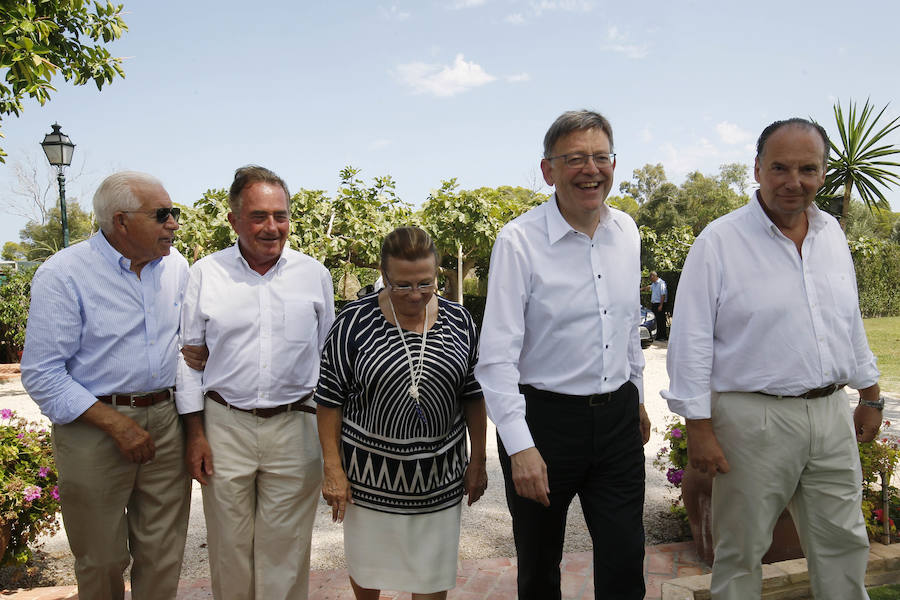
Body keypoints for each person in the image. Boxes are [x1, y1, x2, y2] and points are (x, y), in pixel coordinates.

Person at [662, 118, 884, 600]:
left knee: (844, 542)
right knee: (741, 550)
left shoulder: (832, 236)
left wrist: (871, 395)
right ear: (757, 168)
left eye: (808, 168)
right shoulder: (719, 242)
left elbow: (847, 322)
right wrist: (698, 426)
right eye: (780, 167)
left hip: (829, 415)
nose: (793, 181)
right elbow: (692, 341)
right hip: (752, 419)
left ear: (823, 174)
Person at [475, 110, 650, 600]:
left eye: (600, 157)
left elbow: (626, 324)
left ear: (614, 164)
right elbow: (496, 360)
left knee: (624, 561)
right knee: (539, 565)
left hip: (616, 423)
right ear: (548, 170)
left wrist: (634, 397)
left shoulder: (627, 233)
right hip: (544, 426)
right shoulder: (518, 243)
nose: (590, 169)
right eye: (574, 158)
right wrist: (520, 447)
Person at [21, 172, 190, 600]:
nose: (174, 224)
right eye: (162, 215)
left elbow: (188, 342)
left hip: (167, 420)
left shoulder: (177, 267)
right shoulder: (63, 274)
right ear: (121, 221)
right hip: (93, 426)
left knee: (163, 551)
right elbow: (42, 373)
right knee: (101, 558)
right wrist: (117, 424)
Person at [175, 165, 335, 600]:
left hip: (295, 425)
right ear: (233, 221)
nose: (272, 227)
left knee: (286, 548)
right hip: (225, 426)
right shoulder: (204, 274)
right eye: (258, 216)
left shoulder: (313, 275)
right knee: (229, 546)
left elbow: (328, 358)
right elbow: (188, 361)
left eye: (280, 215)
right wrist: (196, 434)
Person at [316, 226, 488, 600]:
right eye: (402, 285)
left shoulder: (461, 322)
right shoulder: (353, 322)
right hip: (369, 480)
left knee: (431, 576)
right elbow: (329, 399)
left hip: (439, 479)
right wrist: (332, 468)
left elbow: (473, 395)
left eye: (425, 284)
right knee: (367, 567)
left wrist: (478, 460)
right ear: (384, 274)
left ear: (438, 273)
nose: (415, 295)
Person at [642, 271, 668, 340]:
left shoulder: (661, 283)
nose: (651, 280)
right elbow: (649, 287)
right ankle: (658, 336)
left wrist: (661, 305)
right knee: (656, 320)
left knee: (661, 320)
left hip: (659, 304)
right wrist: (641, 289)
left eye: (651, 278)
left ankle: (663, 336)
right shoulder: (654, 284)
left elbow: (663, 295)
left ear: (654, 276)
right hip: (654, 304)